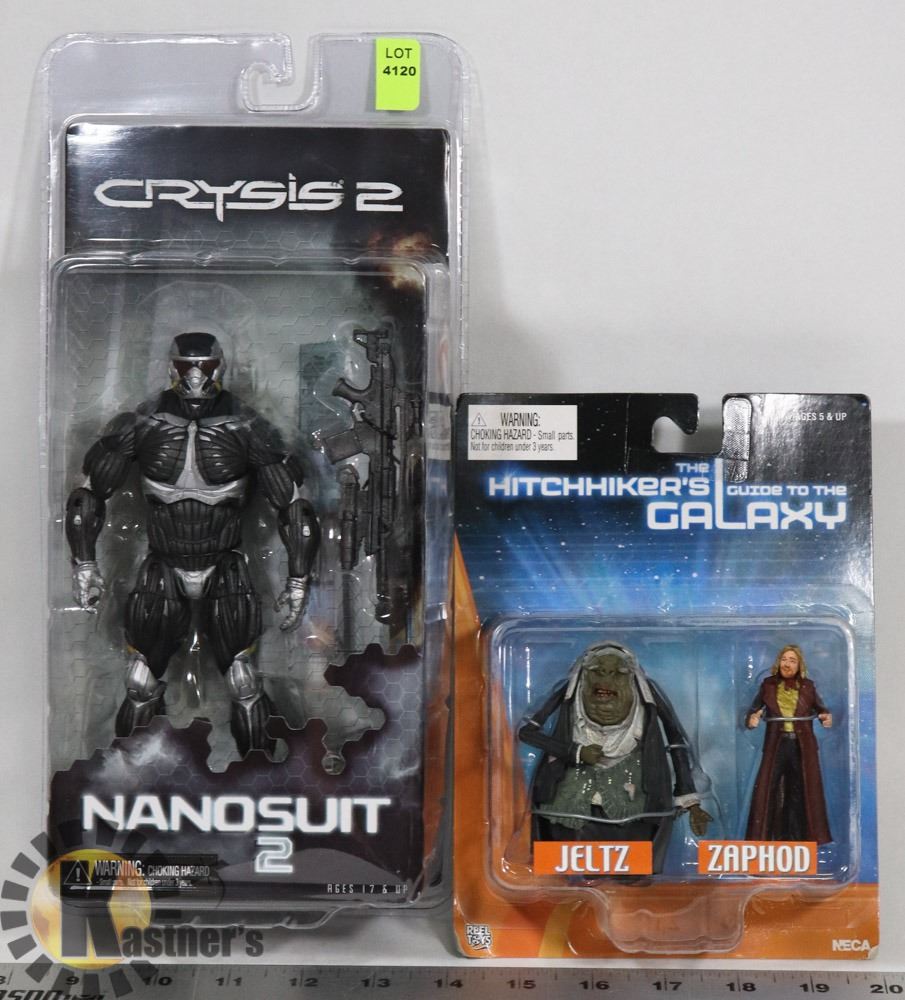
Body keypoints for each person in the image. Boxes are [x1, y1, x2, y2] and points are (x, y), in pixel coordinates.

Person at [65, 332, 320, 756]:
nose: (196, 377)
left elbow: (294, 507)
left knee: (243, 681)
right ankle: (127, 779)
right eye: (186, 367)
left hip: (224, 564)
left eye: (205, 367)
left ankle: (260, 775)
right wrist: (84, 564)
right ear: (171, 367)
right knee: (140, 682)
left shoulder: (246, 427)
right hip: (164, 562)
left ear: (221, 367)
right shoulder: (142, 425)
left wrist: (298, 581)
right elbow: (87, 496)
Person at [518, 641, 710, 874]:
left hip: (634, 808)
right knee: (566, 868)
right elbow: (527, 732)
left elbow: (676, 742)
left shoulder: (648, 698)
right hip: (568, 809)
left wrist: (689, 800)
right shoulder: (569, 693)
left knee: (631, 870)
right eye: (598, 671)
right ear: (584, 674)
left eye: (618, 673)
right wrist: (574, 752)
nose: (606, 678)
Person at [745, 644, 832, 843]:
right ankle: (763, 838)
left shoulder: (808, 687)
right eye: (784, 660)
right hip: (776, 743)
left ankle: (800, 838)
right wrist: (752, 718)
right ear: (778, 663)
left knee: (801, 789)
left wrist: (825, 717)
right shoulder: (768, 685)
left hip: (801, 746)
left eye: (792, 661)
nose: (787, 664)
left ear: (799, 665)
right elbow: (754, 709)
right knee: (768, 787)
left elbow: (820, 708)